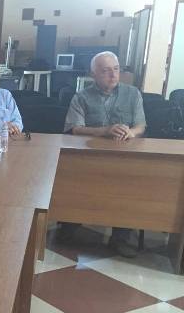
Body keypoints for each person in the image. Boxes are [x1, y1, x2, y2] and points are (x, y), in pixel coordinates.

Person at [60, 51, 147, 257]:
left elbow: (141, 125)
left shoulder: (133, 94)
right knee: (72, 178)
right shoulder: (81, 97)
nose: (113, 75)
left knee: (129, 185)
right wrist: (105, 131)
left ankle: (120, 237)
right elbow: (74, 128)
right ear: (93, 74)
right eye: (106, 71)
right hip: (90, 156)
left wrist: (131, 132)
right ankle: (70, 225)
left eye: (116, 69)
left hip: (125, 156)